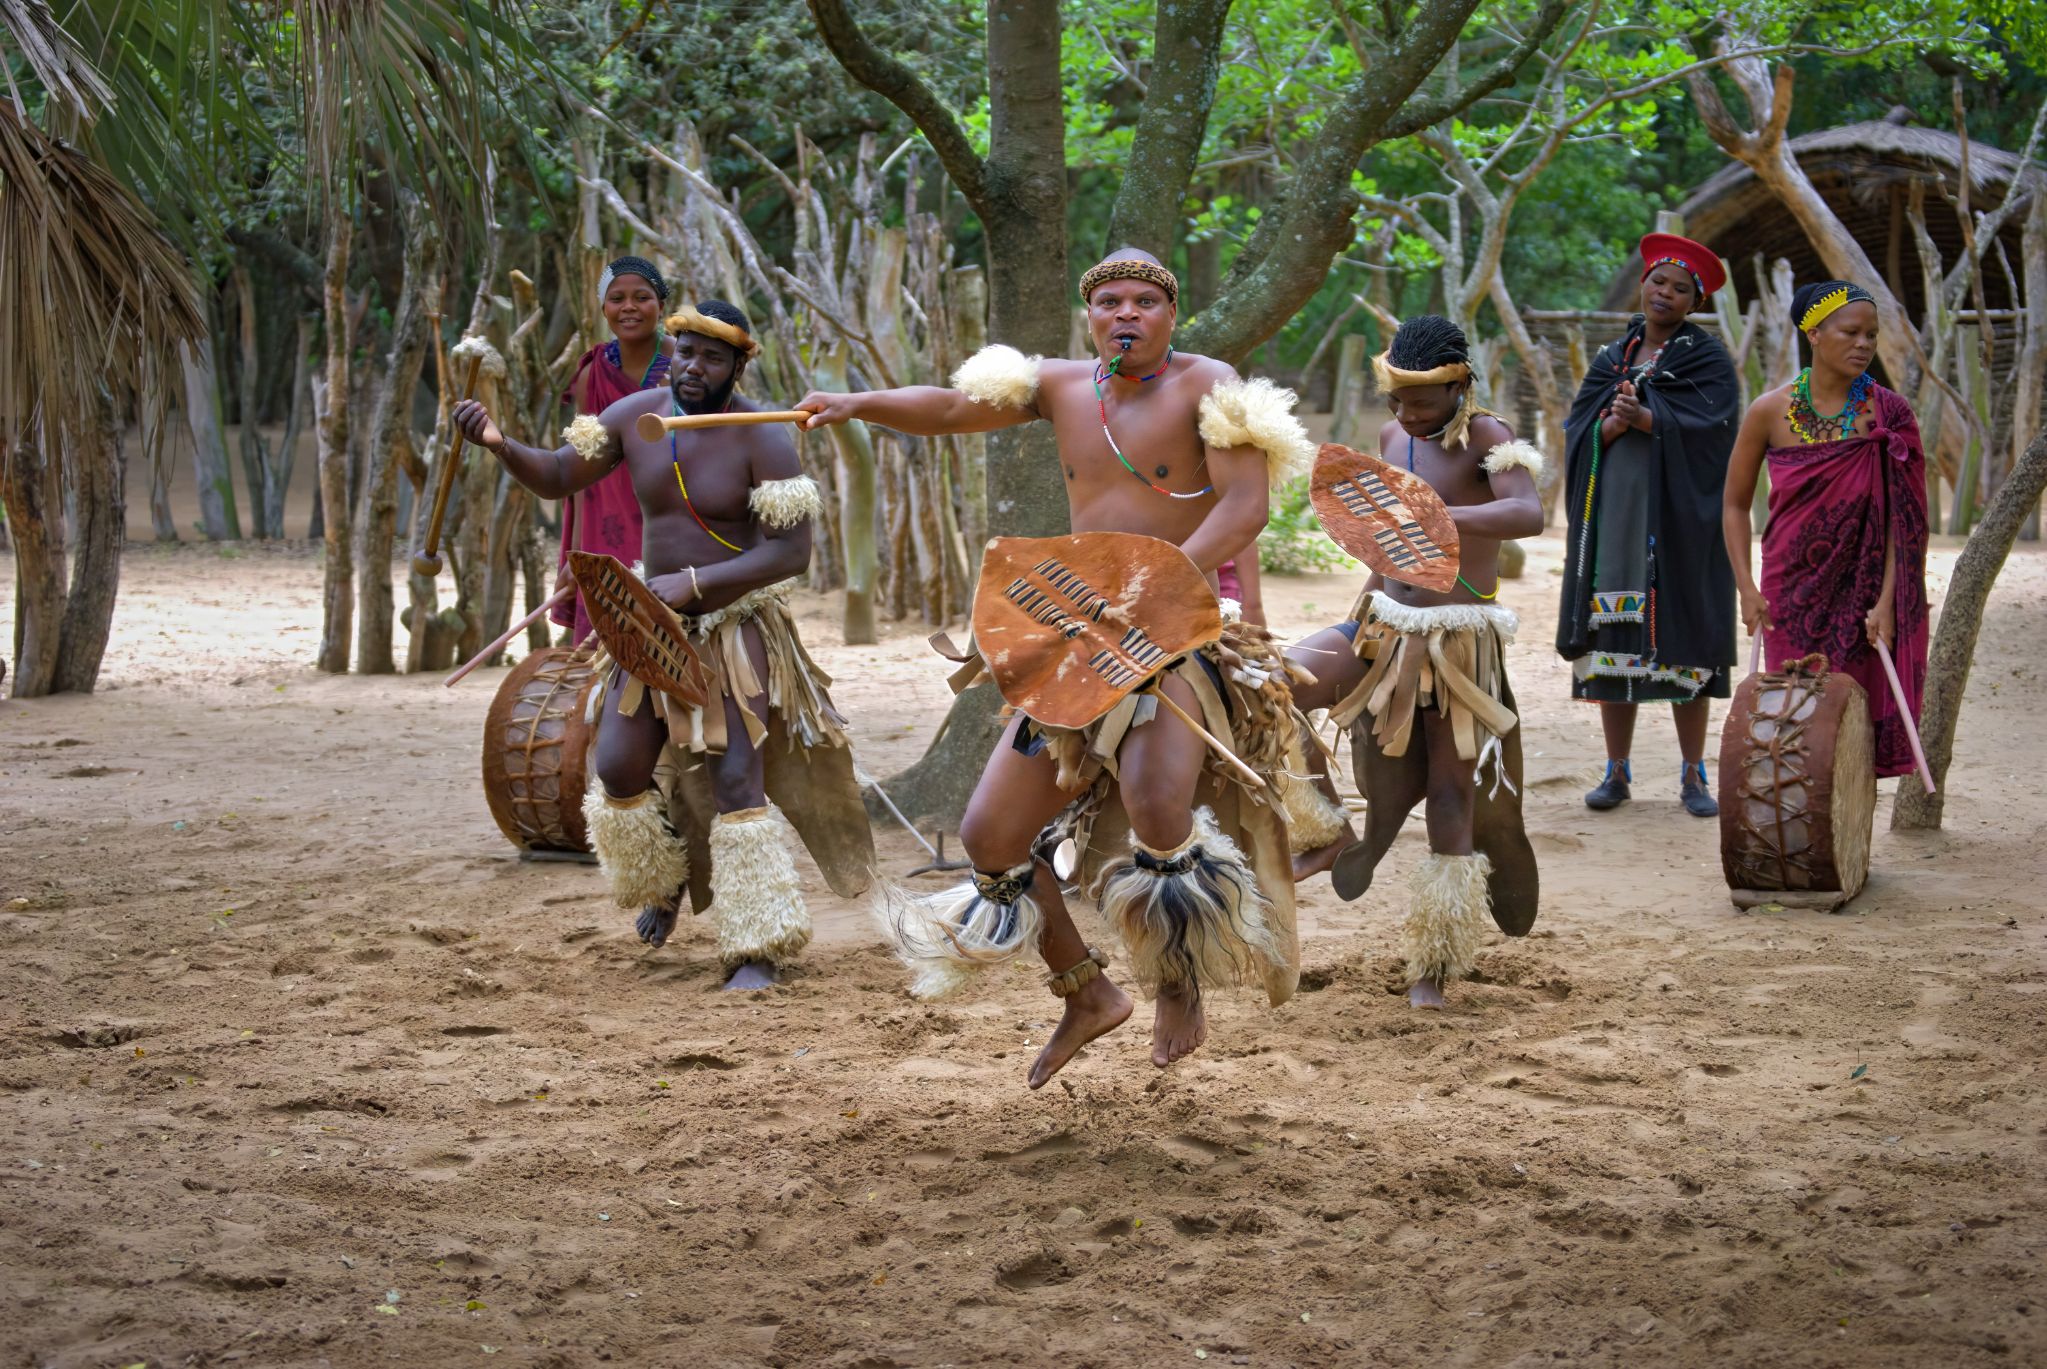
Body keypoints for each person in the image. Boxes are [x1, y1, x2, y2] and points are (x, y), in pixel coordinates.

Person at [795, 249, 1314, 1086]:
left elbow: (1245, 506)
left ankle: (1179, 976)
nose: (1126, 314)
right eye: (1109, 301)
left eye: (1145, 301)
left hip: (1171, 634)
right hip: (1078, 638)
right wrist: (858, 403)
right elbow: (951, 408)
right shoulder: (1063, 386)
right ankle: (1083, 989)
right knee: (989, 837)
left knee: (1156, 808)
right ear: (1089, 316)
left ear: (1170, 316)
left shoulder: (1209, 384)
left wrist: (1158, 592)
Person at [453, 301, 872, 990]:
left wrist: (700, 580)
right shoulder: (632, 417)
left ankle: (753, 944)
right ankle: (665, 876)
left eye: (711, 358)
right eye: (683, 352)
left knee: (738, 776)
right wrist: (498, 441)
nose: (692, 367)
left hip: (736, 623)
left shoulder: (762, 434)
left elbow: (791, 552)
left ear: (738, 365)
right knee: (617, 769)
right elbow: (559, 473)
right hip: (650, 626)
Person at [1281, 316, 1545, 1008]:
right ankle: (1326, 829)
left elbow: (1526, 513)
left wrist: (1437, 515)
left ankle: (1432, 962)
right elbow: (1384, 544)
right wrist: (1360, 607)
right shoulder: (1392, 436)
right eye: (1396, 399)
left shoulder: (1490, 438)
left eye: (1421, 402)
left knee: (1451, 796)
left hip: (1458, 634)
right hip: (1383, 619)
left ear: (1459, 386)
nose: (1405, 414)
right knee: (1274, 684)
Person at [1556, 233, 1741, 817]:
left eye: (1680, 288)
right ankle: (1616, 771)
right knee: (1616, 638)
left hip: (1681, 523)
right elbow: (1579, 430)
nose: (1665, 293)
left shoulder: (1705, 360)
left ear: (1696, 302)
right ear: (1643, 285)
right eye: (1658, 281)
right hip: (1618, 518)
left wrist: (1647, 419)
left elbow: (1717, 432)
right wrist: (1610, 427)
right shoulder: (1612, 359)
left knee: (1686, 641)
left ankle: (1693, 774)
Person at [1722, 280, 1928, 779]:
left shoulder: (1889, 413)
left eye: (1872, 335)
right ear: (1813, 333)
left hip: (1864, 594)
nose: (1864, 344)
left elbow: (1905, 522)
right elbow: (1733, 504)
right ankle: (1792, 843)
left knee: (1856, 723)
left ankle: (1850, 847)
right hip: (1790, 589)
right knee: (1790, 714)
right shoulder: (1768, 412)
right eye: (1850, 332)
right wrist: (1746, 588)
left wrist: (1886, 600)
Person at [553, 256, 679, 646]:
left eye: (641, 297)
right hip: (604, 512)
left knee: (672, 635)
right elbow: (579, 466)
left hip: (668, 508)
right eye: (616, 298)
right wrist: (576, 555)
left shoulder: (686, 361)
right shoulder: (592, 373)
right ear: (604, 307)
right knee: (606, 644)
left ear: (660, 304)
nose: (628, 307)